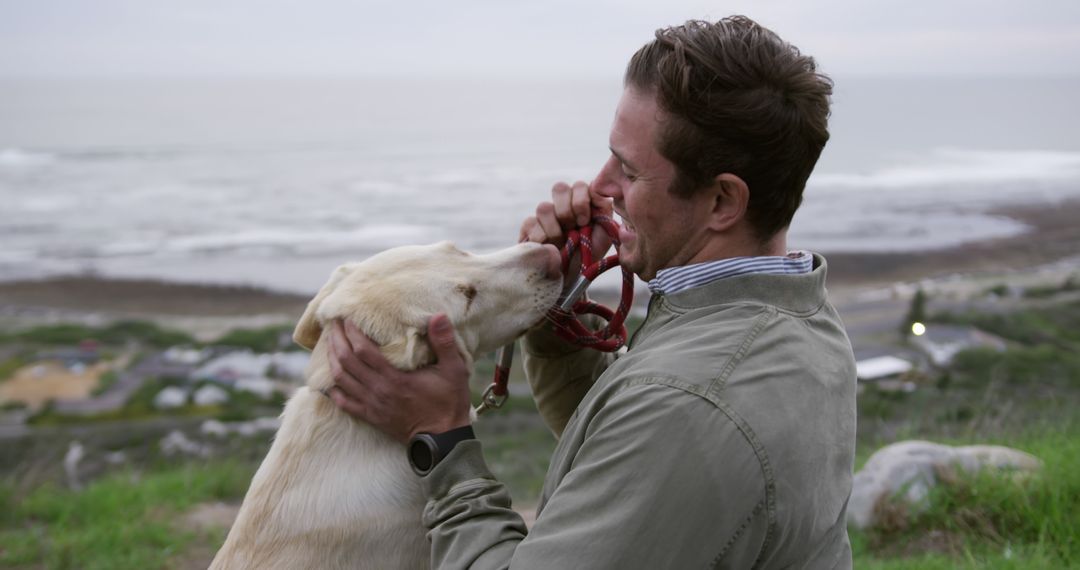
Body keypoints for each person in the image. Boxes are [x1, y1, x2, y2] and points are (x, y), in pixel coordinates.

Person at [326, 15, 856, 569]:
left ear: (722, 201)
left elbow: (668, 427)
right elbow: (627, 456)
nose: (601, 186)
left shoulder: (689, 404)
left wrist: (439, 439)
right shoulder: (800, 316)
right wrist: (560, 309)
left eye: (628, 171)